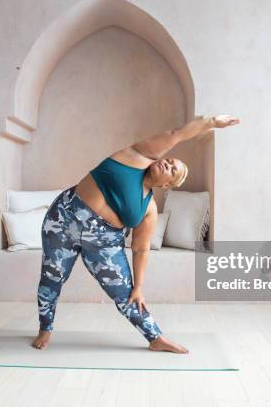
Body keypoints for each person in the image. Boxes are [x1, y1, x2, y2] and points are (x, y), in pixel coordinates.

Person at [32, 115, 240, 353]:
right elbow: (176, 134)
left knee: (127, 295)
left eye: (172, 170)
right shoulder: (135, 157)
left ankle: (155, 338)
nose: (168, 164)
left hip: (104, 243)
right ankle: (45, 328)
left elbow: (141, 248)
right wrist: (212, 122)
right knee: (52, 277)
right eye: (170, 160)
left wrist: (139, 286)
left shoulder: (149, 210)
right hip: (64, 219)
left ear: (167, 185)